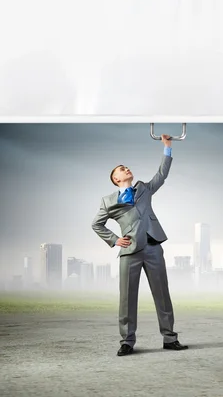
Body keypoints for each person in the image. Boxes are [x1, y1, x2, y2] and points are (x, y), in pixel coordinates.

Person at [91, 134, 188, 356]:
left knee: (162, 294)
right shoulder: (108, 201)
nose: (126, 169)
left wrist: (167, 148)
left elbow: (161, 175)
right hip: (129, 251)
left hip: (153, 247)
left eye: (127, 167)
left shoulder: (144, 188)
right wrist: (115, 240)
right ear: (116, 179)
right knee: (127, 298)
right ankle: (127, 341)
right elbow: (96, 224)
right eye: (121, 169)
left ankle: (170, 338)